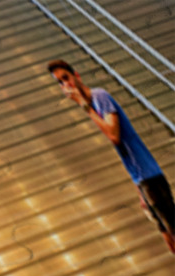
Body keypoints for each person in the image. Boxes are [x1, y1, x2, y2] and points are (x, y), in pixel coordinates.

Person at [48, 59, 175, 254]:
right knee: (165, 233)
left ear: (76, 76)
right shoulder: (93, 104)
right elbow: (125, 150)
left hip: (150, 176)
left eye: (66, 78)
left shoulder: (99, 97)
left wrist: (84, 105)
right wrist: (138, 189)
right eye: (60, 82)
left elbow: (114, 135)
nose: (66, 85)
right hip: (142, 179)